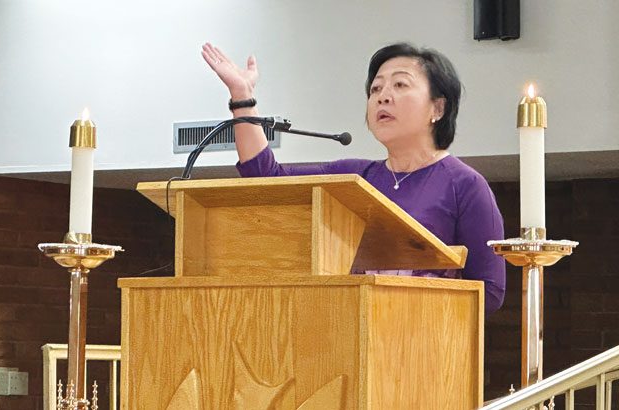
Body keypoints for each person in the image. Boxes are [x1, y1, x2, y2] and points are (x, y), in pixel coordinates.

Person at [201, 42, 506, 314]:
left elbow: (490, 293)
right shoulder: (353, 178)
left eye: (400, 85)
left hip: (421, 352)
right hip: (349, 338)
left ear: (437, 108)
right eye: (375, 89)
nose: (383, 97)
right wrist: (242, 97)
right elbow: (265, 177)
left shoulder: (465, 185)